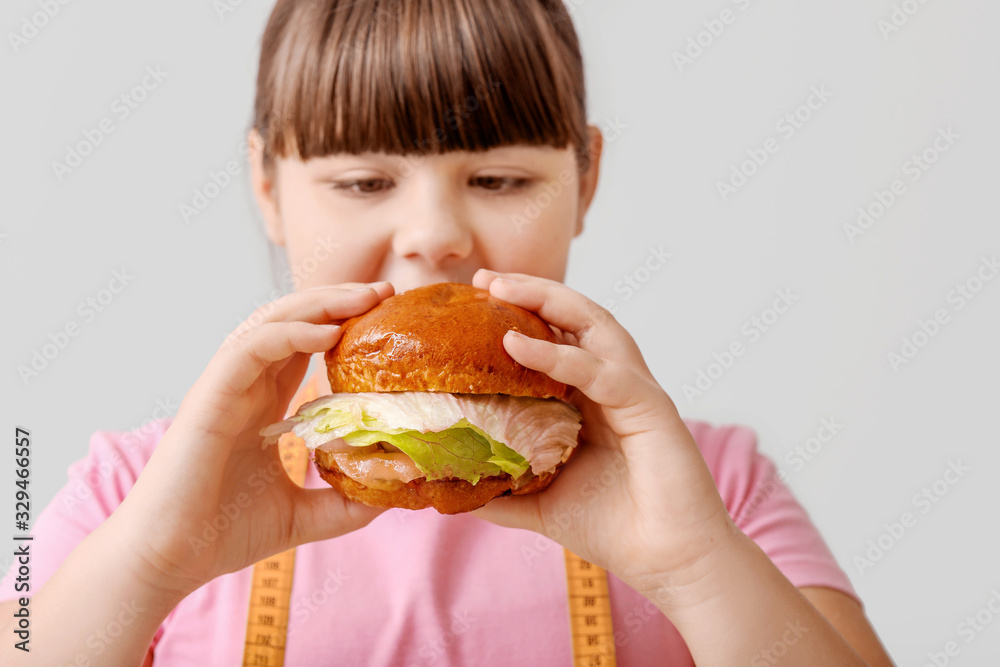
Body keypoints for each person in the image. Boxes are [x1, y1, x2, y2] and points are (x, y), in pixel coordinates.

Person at [0, 0, 895, 664]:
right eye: (362, 182)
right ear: (268, 188)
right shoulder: (133, 488)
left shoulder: (710, 487)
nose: (435, 234)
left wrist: (697, 565)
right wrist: (152, 560)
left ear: (584, 182)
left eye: (500, 180)